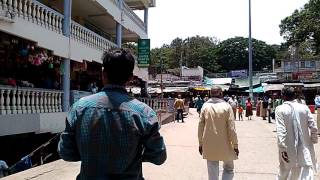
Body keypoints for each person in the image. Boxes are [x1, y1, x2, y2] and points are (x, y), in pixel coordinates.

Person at [58, 49, 167, 180]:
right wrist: (134, 153)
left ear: (103, 74)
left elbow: (66, 153)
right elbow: (159, 156)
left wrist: (91, 153)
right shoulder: (144, 112)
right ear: (130, 78)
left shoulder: (79, 108)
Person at [275, 87, 318, 180]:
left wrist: (282, 148)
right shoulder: (304, 108)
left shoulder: (280, 109)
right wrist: (314, 139)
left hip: (288, 149)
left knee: (285, 173)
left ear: (283, 96)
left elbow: (281, 130)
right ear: (295, 96)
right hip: (305, 148)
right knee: (305, 172)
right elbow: (313, 127)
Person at [198, 86, 239, 180]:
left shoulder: (205, 106)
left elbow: (200, 127)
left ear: (210, 94)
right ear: (221, 94)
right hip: (226, 144)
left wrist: (200, 144)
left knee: (212, 172)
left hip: (209, 144)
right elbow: (232, 129)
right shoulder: (227, 106)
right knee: (229, 169)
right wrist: (235, 145)